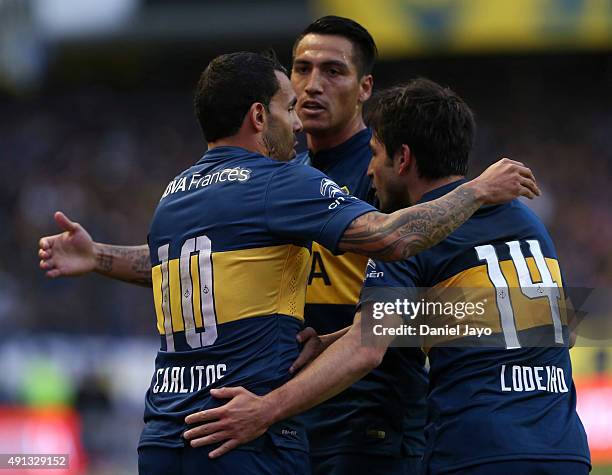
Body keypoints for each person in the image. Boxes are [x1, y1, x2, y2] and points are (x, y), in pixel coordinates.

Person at [179, 79, 590, 475]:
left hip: (478, 448)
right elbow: (499, 314)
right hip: (565, 447)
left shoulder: (413, 234)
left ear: (404, 159)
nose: (370, 172)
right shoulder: (526, 220)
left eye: (375, 154)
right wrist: (327, 341)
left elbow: (366, 348)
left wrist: (265, 410)